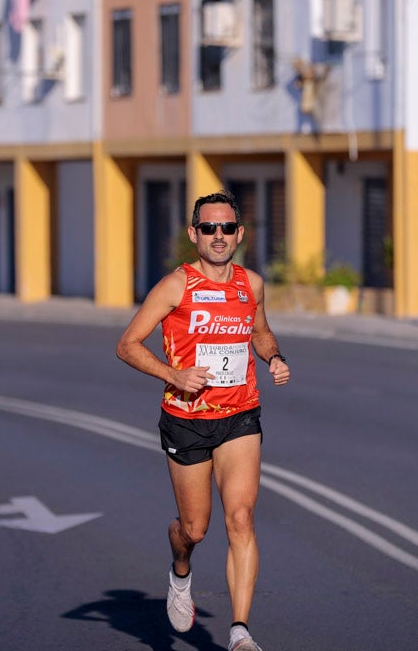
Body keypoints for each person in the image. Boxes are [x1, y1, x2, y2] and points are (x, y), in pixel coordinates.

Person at [116, 191, 291, 651]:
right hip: (186, 420)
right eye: (209, 228)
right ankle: (180, 570)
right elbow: (128, 344)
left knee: (241, 517)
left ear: (239, 234)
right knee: (195, 529)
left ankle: (239, 632)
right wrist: (174, 373)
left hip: (240, 415)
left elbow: (259, 330)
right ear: (194, 234)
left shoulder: (250, 284)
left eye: (227, 228)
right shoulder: (176, 286)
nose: (219, 236)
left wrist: (273, 356)